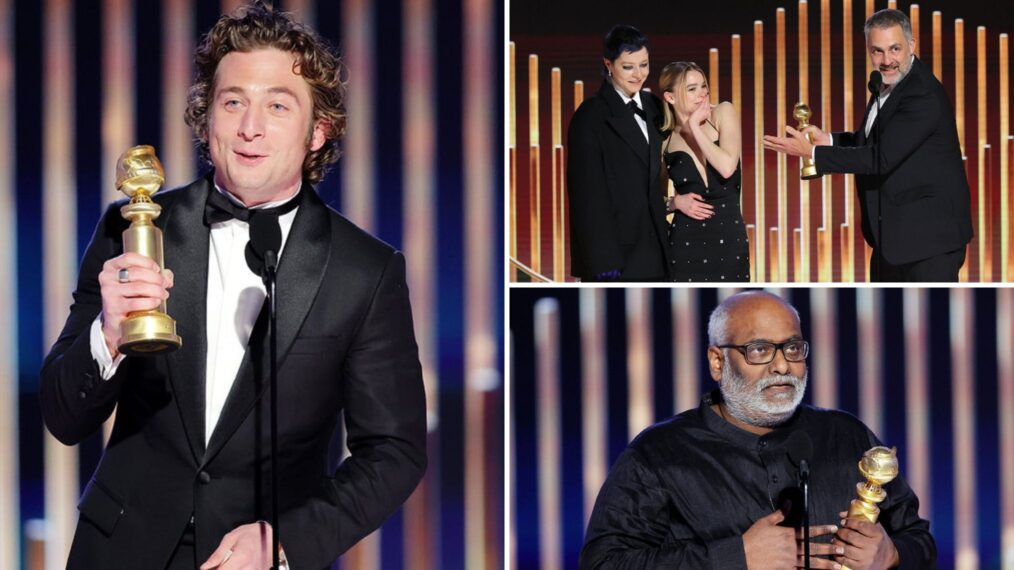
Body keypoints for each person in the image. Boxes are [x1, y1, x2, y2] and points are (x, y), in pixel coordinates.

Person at [39, 4, 426, 569]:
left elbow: (394, 451)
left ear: (318, 130)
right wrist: (108, 338)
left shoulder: (365, 273)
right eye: (233, 102)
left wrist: (285, 540)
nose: (251, 127)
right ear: (205, 118)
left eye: (277, 105)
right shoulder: (135, 231)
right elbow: (61, 416)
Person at [580, 291, 935, 569]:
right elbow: (604, 563)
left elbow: (918, 538)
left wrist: (894, 555)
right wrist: (734, 559)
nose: (782, 365)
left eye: (793, 348)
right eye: (759, 350)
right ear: (717, 362)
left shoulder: (846, 435)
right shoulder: (658, 454)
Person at [763, 9, 972, 282]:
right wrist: (830, 139)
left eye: (895, 49)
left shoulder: (921, 93)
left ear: (912, 45)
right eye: (878, 51)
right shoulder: (890, 84)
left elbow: (880, 158)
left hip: (929, 242)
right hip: (896, 239)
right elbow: (877, 140)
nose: (887, 60)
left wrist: (812, 153)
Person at [567, 25, 671, 282]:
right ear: (608, 65)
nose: (639, 74)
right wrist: (602, 260)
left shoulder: (654, 106)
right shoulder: (591, 115)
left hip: (657, 248)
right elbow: (586, 195)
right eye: (628, 67)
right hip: (616, 257)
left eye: (644, 64)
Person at [659, 61, 750, 282]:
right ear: (670, 97)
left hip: (729, 237)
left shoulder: (722, 112)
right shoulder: (665, 141)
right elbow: (652, 200)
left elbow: (727, 167)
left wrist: (694, 127)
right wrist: (674, 203)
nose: (702, 93)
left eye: (703, 86)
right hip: (685, 242)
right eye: (692, 89)